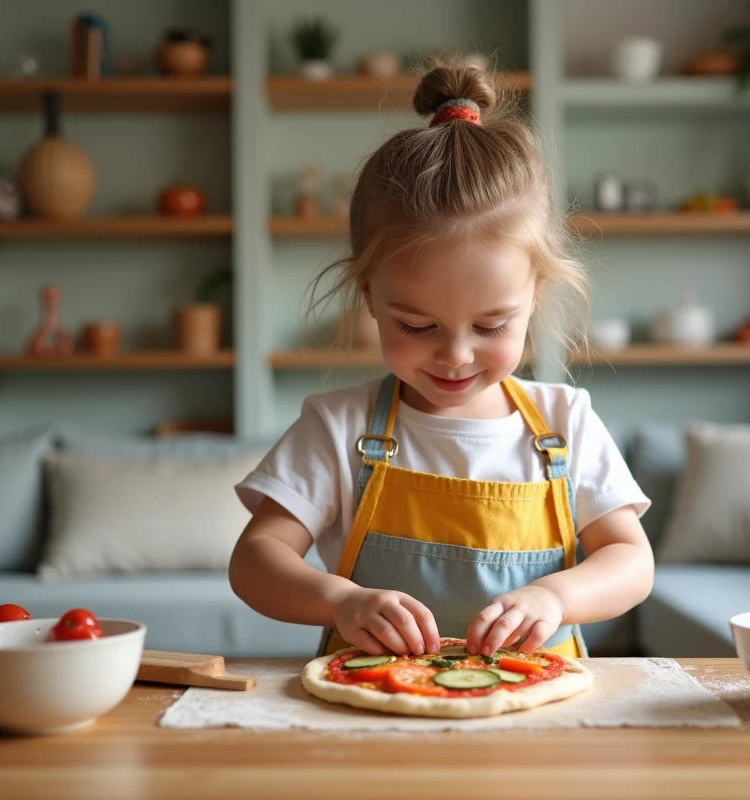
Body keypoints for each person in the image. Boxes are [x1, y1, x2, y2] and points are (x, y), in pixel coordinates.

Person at [229, 64, 653, 660]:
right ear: (369, 296)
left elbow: (632, 561)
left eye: (490, 325)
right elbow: (255, 560)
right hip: (374, 718)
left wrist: (556, 597)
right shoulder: (337, 427)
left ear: (535, 295)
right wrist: (340, 601)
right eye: (417, 325)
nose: (455, 354)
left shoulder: (566, 422)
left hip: (541, 727)